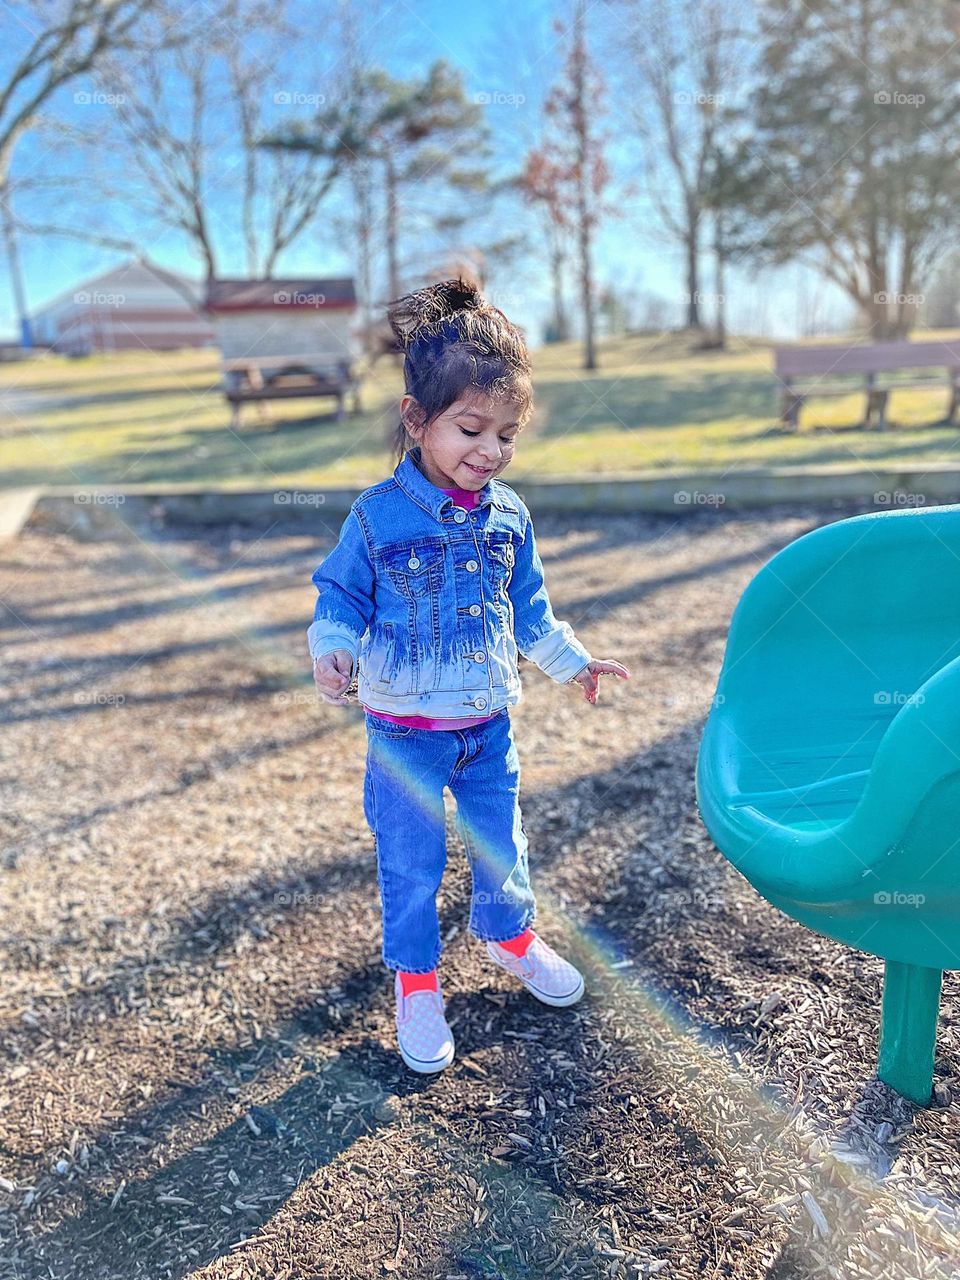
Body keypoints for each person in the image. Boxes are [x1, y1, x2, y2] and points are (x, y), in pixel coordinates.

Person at [309, 278, 631, 1073]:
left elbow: (531, 613)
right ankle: (418, 985)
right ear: (418, 420)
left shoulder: (509, 515)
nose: (488, 451)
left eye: (507, 435)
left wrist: (574, 663)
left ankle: (510, 936)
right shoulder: (378, 515)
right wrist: (333, 646)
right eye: (471, 428)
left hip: (486, 730)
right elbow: (339, 593)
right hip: (404, 739)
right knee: (411, 863)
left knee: (502, 843)